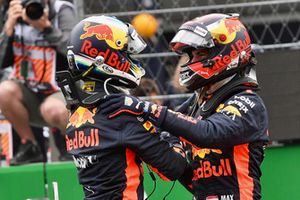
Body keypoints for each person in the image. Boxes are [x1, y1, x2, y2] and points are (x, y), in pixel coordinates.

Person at [101, 13, 270, 200]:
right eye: (192, 55)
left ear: (226, 52)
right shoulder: (198, 101)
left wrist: (145, 107)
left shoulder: (249, 102)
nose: (193, 61)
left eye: (201, 54)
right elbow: (170, 144)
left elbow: (208, 133)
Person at [55, 15, 188, 199]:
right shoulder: (118, 112)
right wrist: (172, 133)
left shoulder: (76, 112)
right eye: (125, 53)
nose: (129, 58)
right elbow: (172, 168)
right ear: (103, 58)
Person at [0, 0, 76, 165]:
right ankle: (29, 146)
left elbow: (74, 52)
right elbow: (1, 63)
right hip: (30, 90)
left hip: (62, 91)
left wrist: (47, 28)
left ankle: (70, 142)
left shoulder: (61, 10)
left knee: (52, 109)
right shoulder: (12, 11)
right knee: (4, 91)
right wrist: (8, 31)